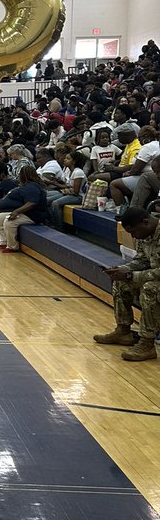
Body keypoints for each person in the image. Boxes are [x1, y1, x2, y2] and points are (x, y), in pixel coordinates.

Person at [93, 207, 160, 361]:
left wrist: (130, 275)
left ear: (145, 222)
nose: (133, 236)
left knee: (151, 289)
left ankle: (147, 344)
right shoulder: (146, 233)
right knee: (121, 283)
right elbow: (142, 260)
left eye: (134, 232)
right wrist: (123, 270)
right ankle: (123, 332)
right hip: (153, 275)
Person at [0, 164, 49, 253]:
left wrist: (16, 211)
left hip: (34, 215)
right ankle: (3, 241)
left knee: (9, 222)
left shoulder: (32, 187)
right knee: (0, 217)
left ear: (24, 176)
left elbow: (32, 203)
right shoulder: (27, 185)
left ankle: (12, 246)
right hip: (27, 213)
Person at [108, 126, 160, 212]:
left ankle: (125, 210)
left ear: (146, 136)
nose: (138, 140)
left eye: (139, 137)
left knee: (114, 184)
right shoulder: (157, 144)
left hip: (148, 177)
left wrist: (128, 173)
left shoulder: (147, 147)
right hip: (151, 176)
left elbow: (136, 169)